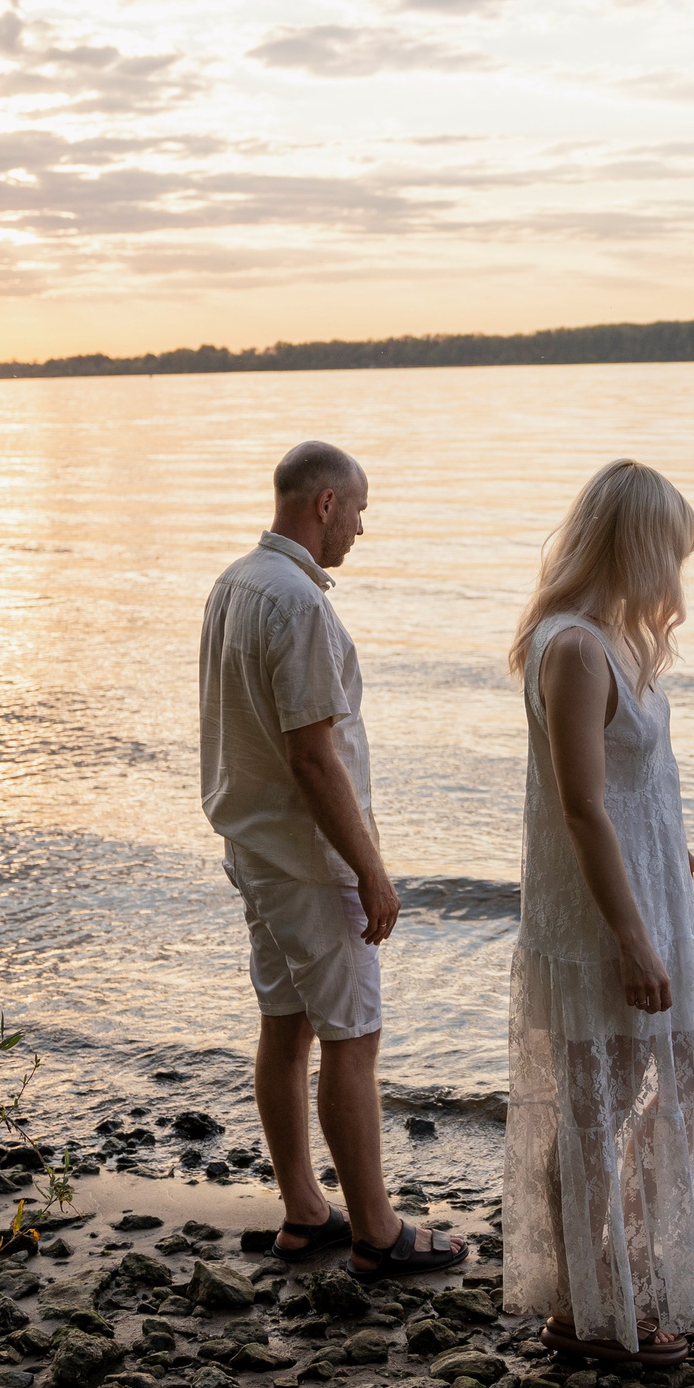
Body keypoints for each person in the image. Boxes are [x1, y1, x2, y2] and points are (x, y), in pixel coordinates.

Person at [503, 460, 694, 1365]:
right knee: (591, 1110)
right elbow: (580, 807)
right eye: (671, 554)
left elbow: (632, 787)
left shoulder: (610, 639)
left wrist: (670, 850)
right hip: (606, 921)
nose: (677, 578)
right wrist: (634, 938)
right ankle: (590, 1301)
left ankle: (622, 1256)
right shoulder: (572, 647)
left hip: (656, 895)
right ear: (637, 546)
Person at [199, 440, 465, 1280]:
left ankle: (305, 1210)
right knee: (354, 1034)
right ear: (323, 503)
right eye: (357, 508)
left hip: (255, 845)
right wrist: (371, 869)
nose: (360, 525)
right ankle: (377, 1231)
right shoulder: (298, 605)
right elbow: (314, 755)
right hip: (309, 860)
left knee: (287, 1023)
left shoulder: (233, 584)